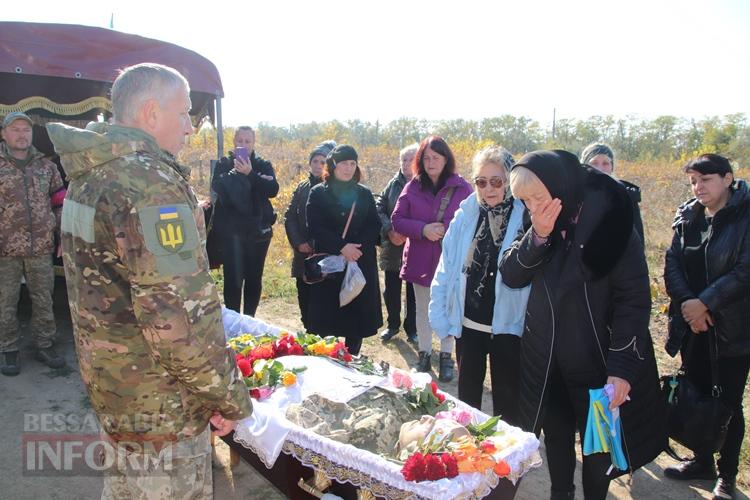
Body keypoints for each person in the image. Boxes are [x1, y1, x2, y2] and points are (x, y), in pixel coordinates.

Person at [46, 63, 252, 498]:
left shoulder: (89, 174)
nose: (191, 128)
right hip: (163, 405)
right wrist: (228, 395)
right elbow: (176, 317)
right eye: (184, 114)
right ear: (151, 112)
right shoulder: (148, 184)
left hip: (118, 391)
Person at [499, 150, 664, 500]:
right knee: (557, 436)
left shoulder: (611, 225)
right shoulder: (541, 221)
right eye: (525, 201)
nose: (531, 207)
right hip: (550, 361)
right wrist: (538, 237)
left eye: (536, 198)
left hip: (598, 366)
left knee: (598, 449)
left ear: (560, 188)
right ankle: (561, 494)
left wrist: (621, 369)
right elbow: (511, 275)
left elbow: (633, 301)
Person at [663, 154, 750, 500]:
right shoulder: (688, 216)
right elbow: (672, 263)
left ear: (728, 178)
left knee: (727, 402)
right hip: (692, 325)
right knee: (696, 393)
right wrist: (689, 307)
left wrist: (706, 303)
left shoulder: (745, 215)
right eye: (694, 181)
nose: (699, 187)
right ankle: (702, 461)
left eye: (706, 179)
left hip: (731, 325)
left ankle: (727, 475)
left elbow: (745, 270)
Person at [429, 146, 529, 423]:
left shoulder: (525, 218)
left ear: (510, 181)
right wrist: (439, 314)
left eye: (497, 181)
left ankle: (506, 461)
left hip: (508, 326)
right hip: (470, 323)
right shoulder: (466, 216)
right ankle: (469, 455)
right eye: (481, 182)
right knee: (467, 403)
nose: (489, 189)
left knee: (508, 405)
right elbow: (446, 268)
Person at [391, 136, 472, 381]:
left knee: (447, 308)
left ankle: (446, 357)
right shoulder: (413, 186)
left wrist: (445, 228)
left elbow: (470, 219)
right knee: (423, 310)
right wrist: (423, 229)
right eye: (426, 158)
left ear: (446, 159)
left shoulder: (462, 187)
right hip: (419, 257)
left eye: (436, 157)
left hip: (449, 260)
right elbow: (397, 219)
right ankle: (424, 355)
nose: (431, 162)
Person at [0, 111, 67, 376]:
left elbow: (60, 203)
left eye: (26, 130)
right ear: (4, 134)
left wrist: (61, 235)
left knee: (43, 299)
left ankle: (45, 345)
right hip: (4, 249)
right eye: (15, 129)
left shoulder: (47, 167)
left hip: (40, 247)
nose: (21, 134)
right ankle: (8, 349)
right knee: (5, 300)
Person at [305, 144, 383, 355]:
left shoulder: (364, 193)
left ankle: (351, 358)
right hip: (330, 266)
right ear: (333, 166)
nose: (348, 168)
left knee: (355, 319)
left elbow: (374, 224)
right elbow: (315, 226)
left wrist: (356, 249)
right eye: (343, 164)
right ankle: (327, 358)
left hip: (359, 261)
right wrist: (341, 247)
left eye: (352, 163)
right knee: (327, 318)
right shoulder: (318, 193)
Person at [212, 126, 279, 316]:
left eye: (247, 141)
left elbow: (273, 189)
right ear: (234, 142)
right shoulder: (225, 163)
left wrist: (251, 174)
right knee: (232, 280)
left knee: (253, 278)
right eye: (240, 141)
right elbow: (218, 186)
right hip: (231, 234)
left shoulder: (262, 164)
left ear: (253, 143)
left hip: (258, 234)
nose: (243, 144)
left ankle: (250, 320)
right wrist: (236, 173)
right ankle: (234, 323)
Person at [284, 140, 336, 329]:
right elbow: (289, 217)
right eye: (315, 161)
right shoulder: (302, 187)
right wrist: (299, 243)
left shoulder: (333, 189)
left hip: (324, 256)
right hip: (302, 256)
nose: (318, 166)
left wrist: (317, 244)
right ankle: (309, 337)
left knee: (322, 305)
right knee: (304, 303)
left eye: (323, 162)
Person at [376, 143, 418, 344]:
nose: (406, 163)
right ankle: (392, 325)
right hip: (393, 246)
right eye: (403, 159)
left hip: (418, 246)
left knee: (414, 290)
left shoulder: (425, 184)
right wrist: (389, 230)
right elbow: (380, 207)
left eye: (411, 159)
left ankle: (413, 329)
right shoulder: (393, 184)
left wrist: (413, 233)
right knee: (391, 288)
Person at [580, 142, 644, 243]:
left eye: (605, 163)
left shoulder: (627, 197)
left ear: (612, 167)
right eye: (594, 163)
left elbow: (638, 243)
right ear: (584, 166)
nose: (600, 169)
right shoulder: (574, 197)